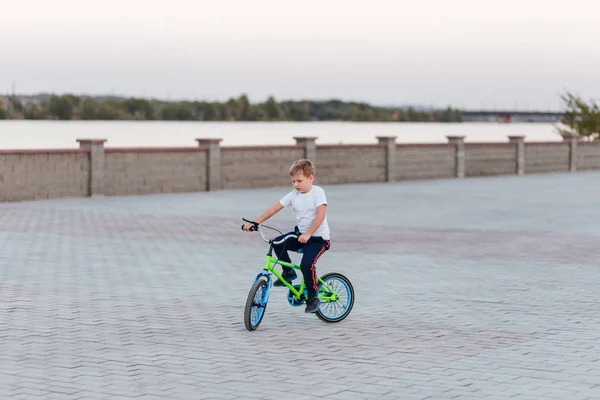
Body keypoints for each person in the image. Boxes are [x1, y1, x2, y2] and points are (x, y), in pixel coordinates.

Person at [242, 159, 331, 313]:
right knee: (277, 243)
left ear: (311, 178)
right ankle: (288, 272)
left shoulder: (318, 192)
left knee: (306, 265)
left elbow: (320, 215)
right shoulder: (293, 194)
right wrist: (255, 222)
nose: (296, 184)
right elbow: (274, 208)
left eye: (299, 181)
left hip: (318, 239)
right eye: (293, 181)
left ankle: (313, 297)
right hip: (301, 236)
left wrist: (309, 233)